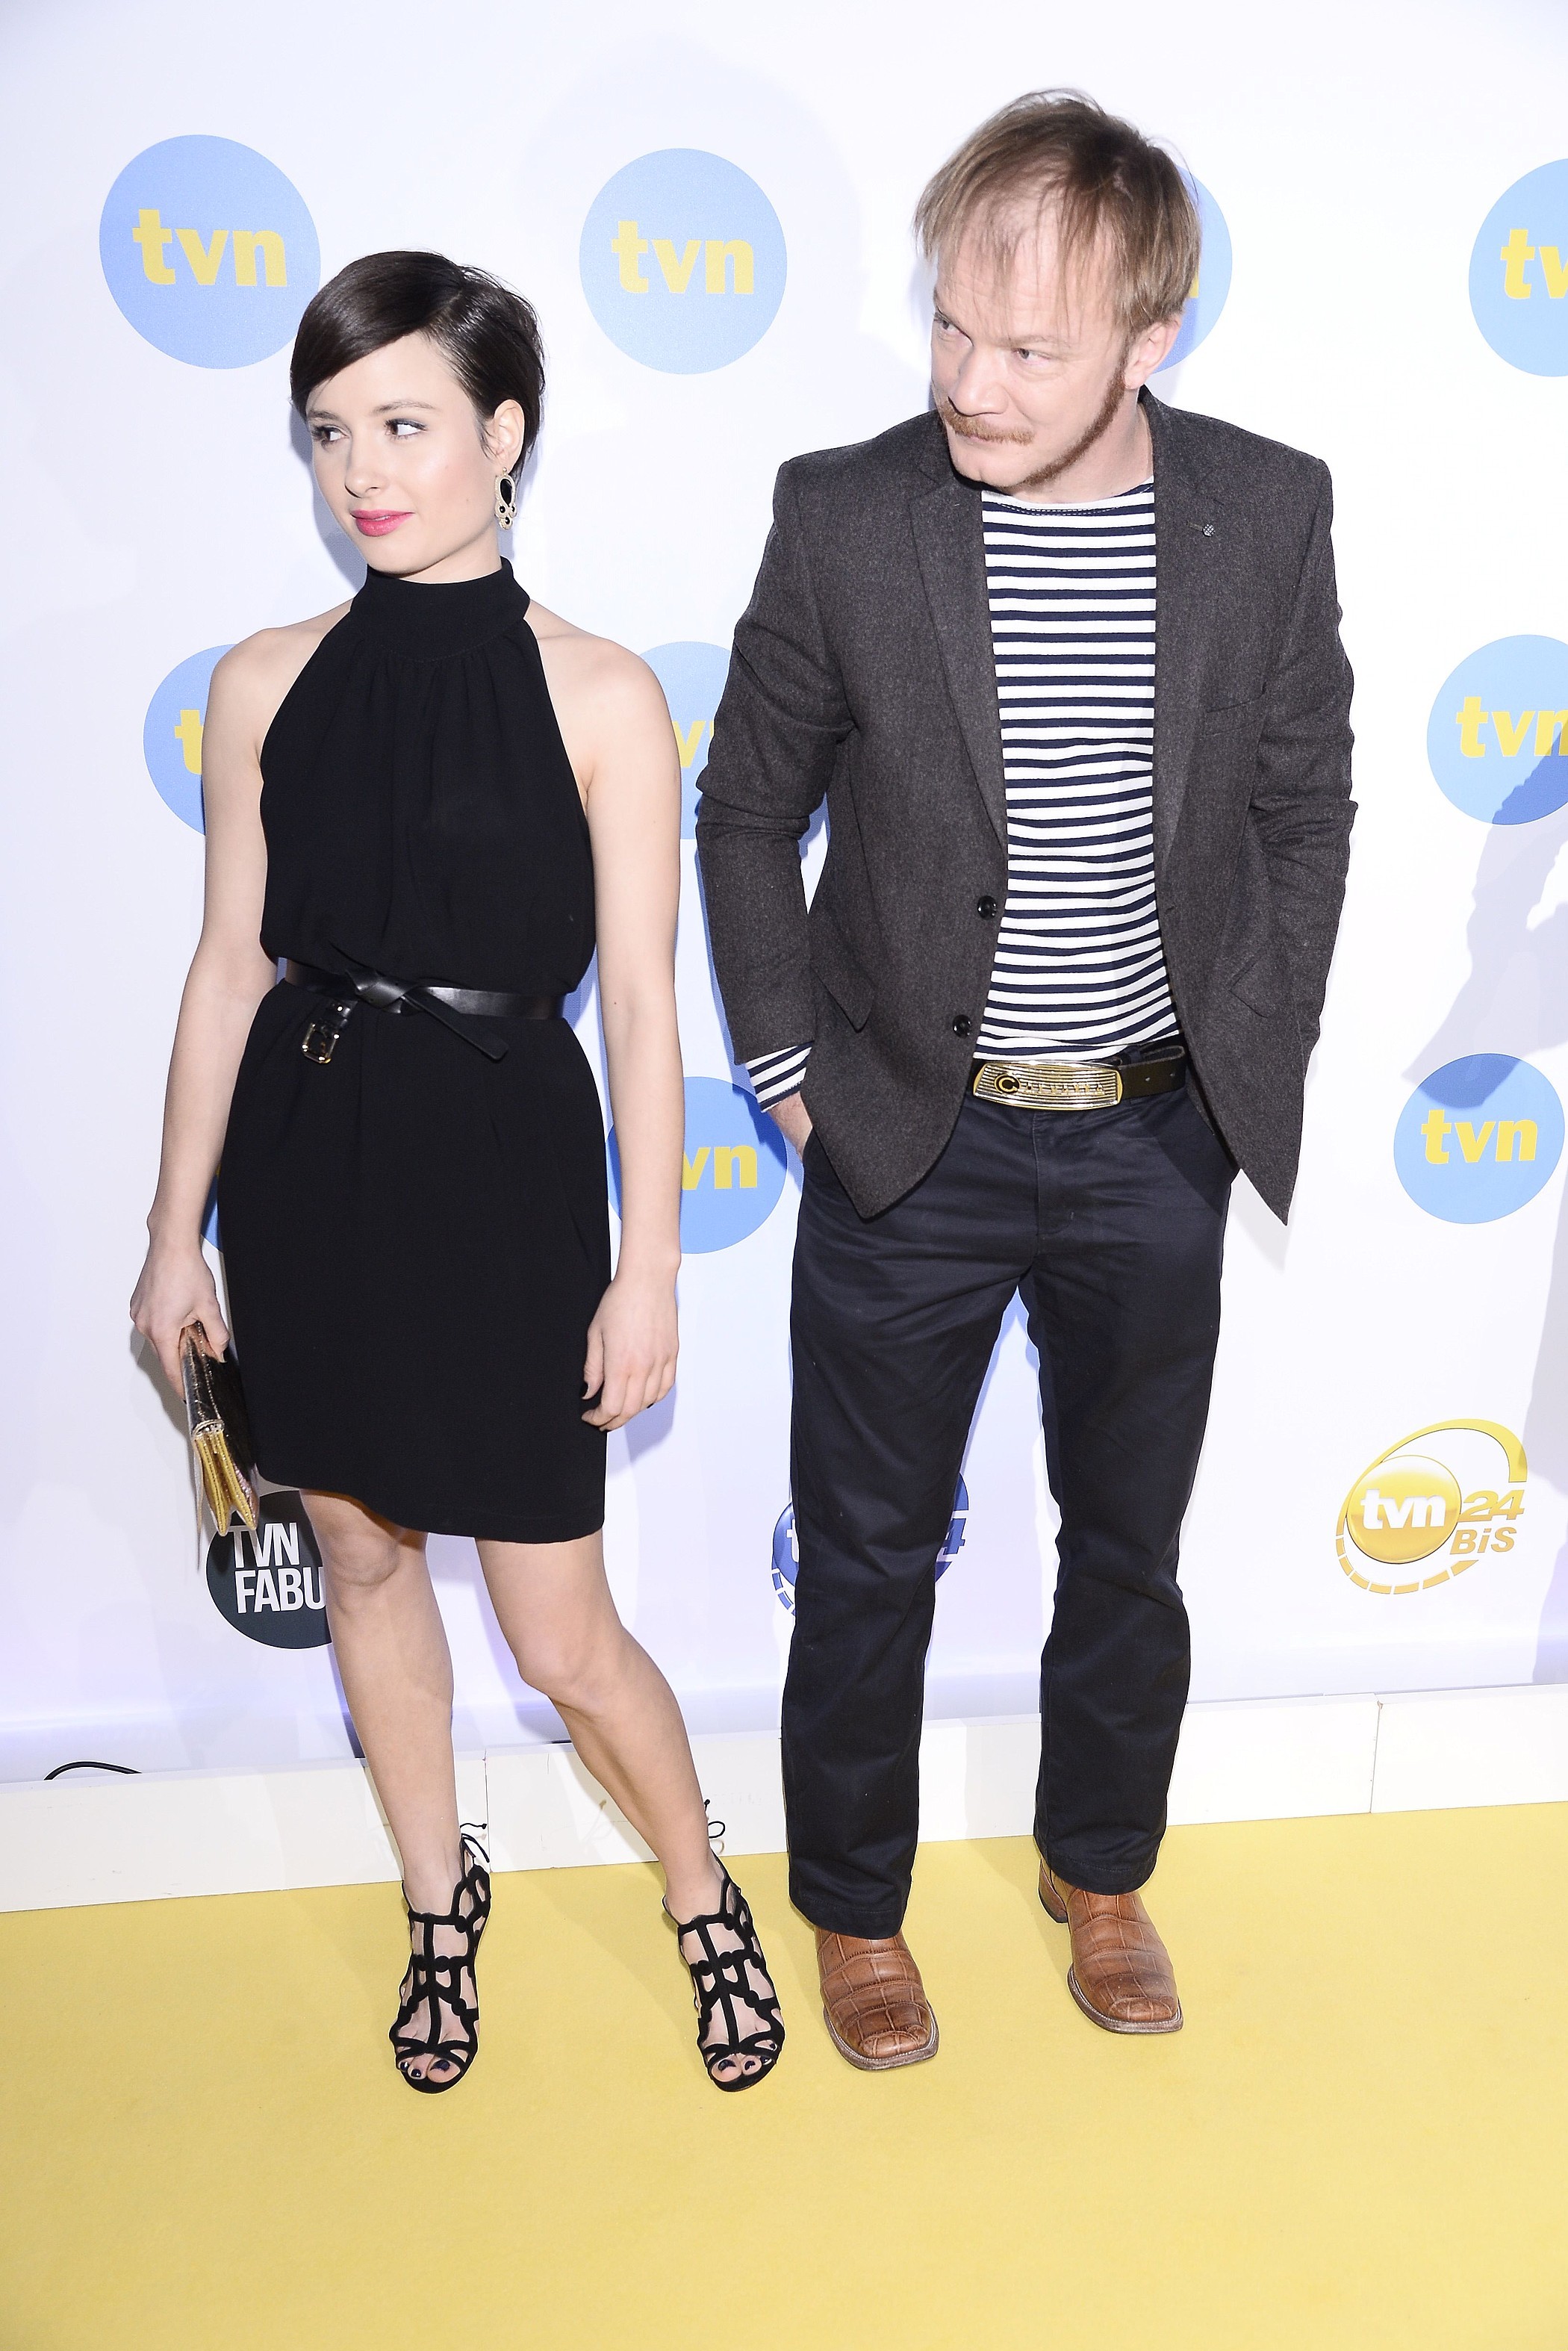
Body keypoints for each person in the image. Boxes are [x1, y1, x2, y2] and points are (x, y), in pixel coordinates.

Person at [697, 92, 1354, 2064]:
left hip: (1156, 1134)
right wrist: (793, 1073)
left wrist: (1248, 1046)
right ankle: (853, 1911)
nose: (971, 384)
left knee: (1128, 1547)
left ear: (1150, 340)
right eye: (950, 328)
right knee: (864, 1556)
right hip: (909, 1137)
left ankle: (1101, 1872)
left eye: (1031, 349)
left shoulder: (1265, 510)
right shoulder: (847, 513)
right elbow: (748, 812)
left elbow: (1303, 803)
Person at [131, 252, 784, 2095]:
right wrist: (174, 1237)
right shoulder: (264, 684)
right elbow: (228, 969)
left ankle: (699, 1889)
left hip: (506, 1171)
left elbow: (644, 1007)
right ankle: (440, 1898)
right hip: (309, 1156)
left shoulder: (603, 695)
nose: (363, 471)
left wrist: (649, 1265)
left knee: (560, 1631)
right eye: (330, 433)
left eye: (405, 425)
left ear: (505, 435)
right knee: (355, 1550)